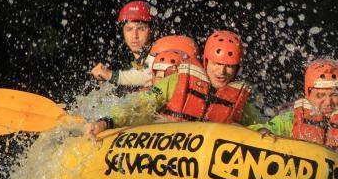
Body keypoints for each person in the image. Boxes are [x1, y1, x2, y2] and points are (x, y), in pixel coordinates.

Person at [85, 29, 263, 136]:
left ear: (237, 68)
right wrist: (105, 122)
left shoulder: (239, 100)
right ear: (207, 61)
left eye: (229, 66)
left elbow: (263, 126)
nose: (222, 72)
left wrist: (260, 131)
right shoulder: (177, 81)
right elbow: (139, 105)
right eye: (217, 64)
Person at [89, 0, 155, 88]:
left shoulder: (162, 53)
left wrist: (111, 75)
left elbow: (148, 75)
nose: (135, 36)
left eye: (141, 28)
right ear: (123, 32)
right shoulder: (123, 62)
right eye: (129, 29)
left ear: (152, 30)